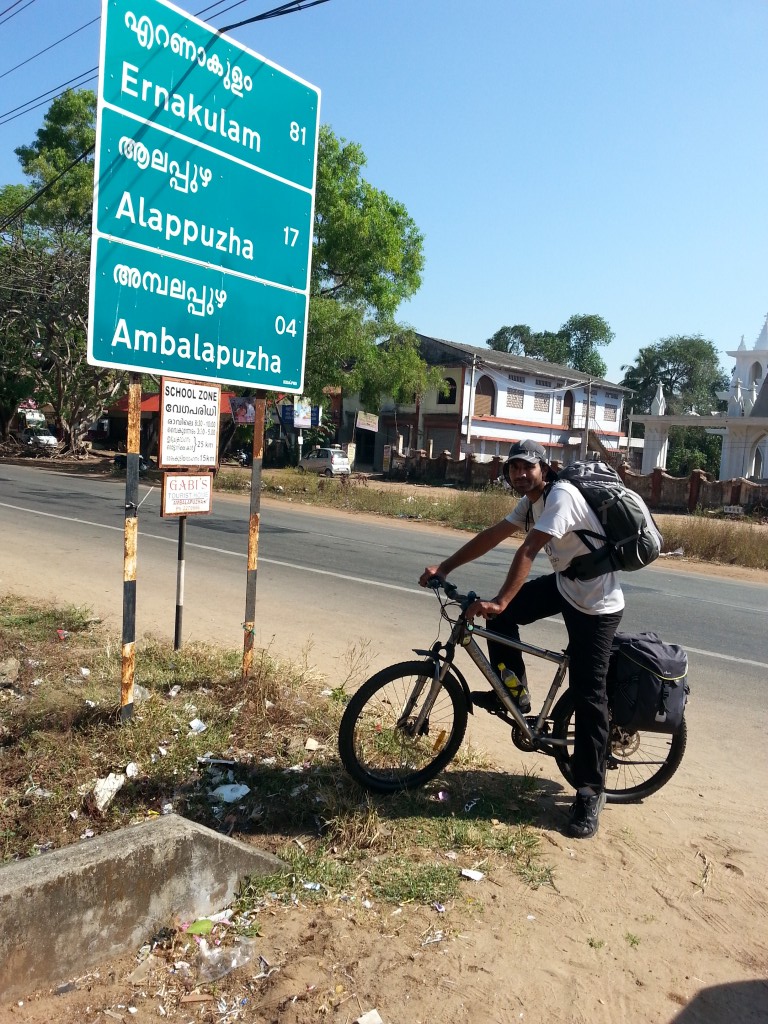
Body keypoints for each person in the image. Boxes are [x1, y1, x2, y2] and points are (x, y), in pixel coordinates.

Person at [418, 439, 627, 839]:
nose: (518, 474)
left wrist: (499, 600)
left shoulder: (561, 496)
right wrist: (444, 566)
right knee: (501, 620)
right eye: (512, 468)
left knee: (588, 693)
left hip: (597, 604)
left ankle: (588, 791)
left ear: (543, 468)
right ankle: (513, 693)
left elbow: (529, 549)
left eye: (526, 467)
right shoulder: (532, 501)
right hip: (567, 585)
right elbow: (493, 535)